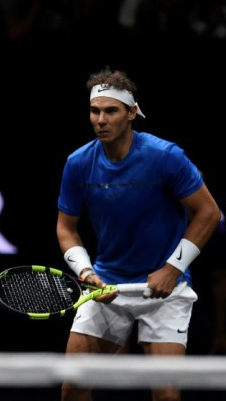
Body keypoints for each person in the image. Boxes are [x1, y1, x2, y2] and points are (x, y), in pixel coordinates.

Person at [56, 66, 221, 401]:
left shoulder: (166, 157)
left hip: (165, 291)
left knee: (166, 395)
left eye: (111, 111)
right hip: (108, 286)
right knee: (72, 388)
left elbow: (209, 213)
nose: (101, 120)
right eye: (95, 111)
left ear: (131, 113)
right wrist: (86, 273)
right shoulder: (78, 163)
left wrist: (172, 269)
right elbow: (66, 228)